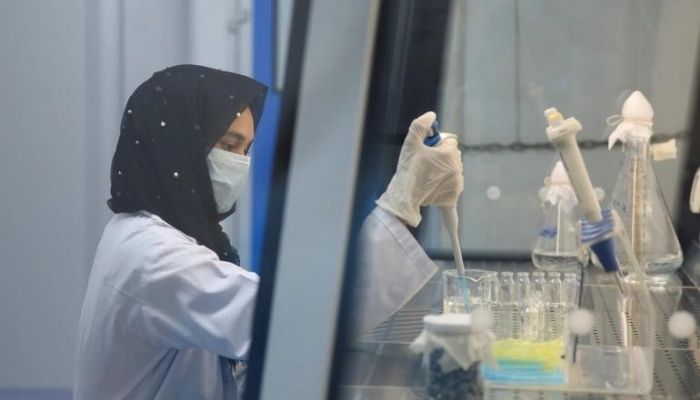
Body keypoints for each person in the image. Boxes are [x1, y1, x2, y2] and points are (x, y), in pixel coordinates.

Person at [74, 64, 463, 399]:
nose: (238, 163)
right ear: (176, 146)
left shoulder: (154, 235)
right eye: (228, 144)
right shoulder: (153, 256)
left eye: (245, 149)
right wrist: (400, 206)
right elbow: (282, 324)